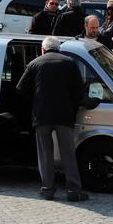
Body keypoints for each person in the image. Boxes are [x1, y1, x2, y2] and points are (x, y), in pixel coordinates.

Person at [16, 36, 87, 202]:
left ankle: (47, 190)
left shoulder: (34, 63)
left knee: (45, 154)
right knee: (68, 153)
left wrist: (35, 99)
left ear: (43, 49)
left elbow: (20, 88)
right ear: (59, 48)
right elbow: (79, 91)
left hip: (42, 115)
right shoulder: (70, 63)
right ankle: (73, 191)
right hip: (64, 115)